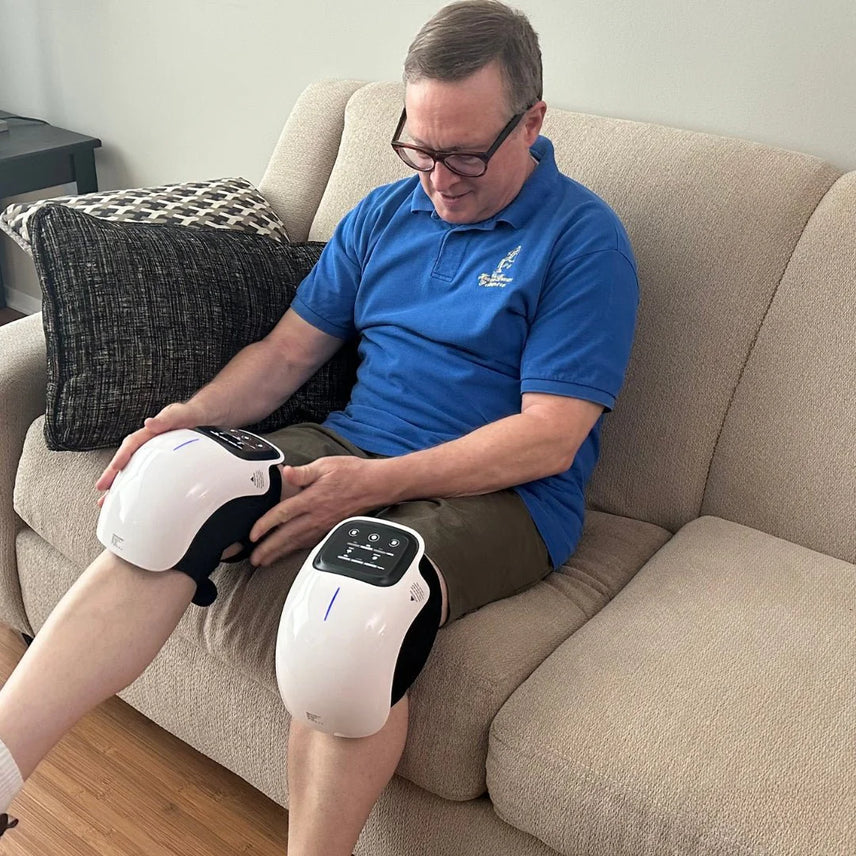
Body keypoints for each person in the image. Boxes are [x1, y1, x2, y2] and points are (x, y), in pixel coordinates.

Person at [0, 0, 638, 852]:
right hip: (350, 442)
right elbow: (286, 354)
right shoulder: (383, 214)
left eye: (466, 155)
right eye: (421, 150)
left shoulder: (584, 241)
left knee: (349, 626)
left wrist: (368, 487)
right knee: (172, 487)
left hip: (508, 497)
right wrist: (185, 417)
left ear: (532, 122)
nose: (440, 180)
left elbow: (549, 437)